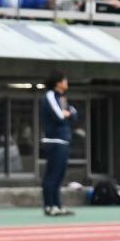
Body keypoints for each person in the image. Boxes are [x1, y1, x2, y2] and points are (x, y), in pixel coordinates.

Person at [39, 74, 78, 217]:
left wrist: (68, 113)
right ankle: (49, 206)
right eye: (64, 80)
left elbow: (74, 114)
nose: (67, 82)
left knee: (60, 175)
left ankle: (57, 205)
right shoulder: (49, 96)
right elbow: (59, 115)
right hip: (54, 140)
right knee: (52, 174)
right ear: (57, 83)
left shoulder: (61, 98)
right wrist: (66, 113)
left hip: (63, 140)